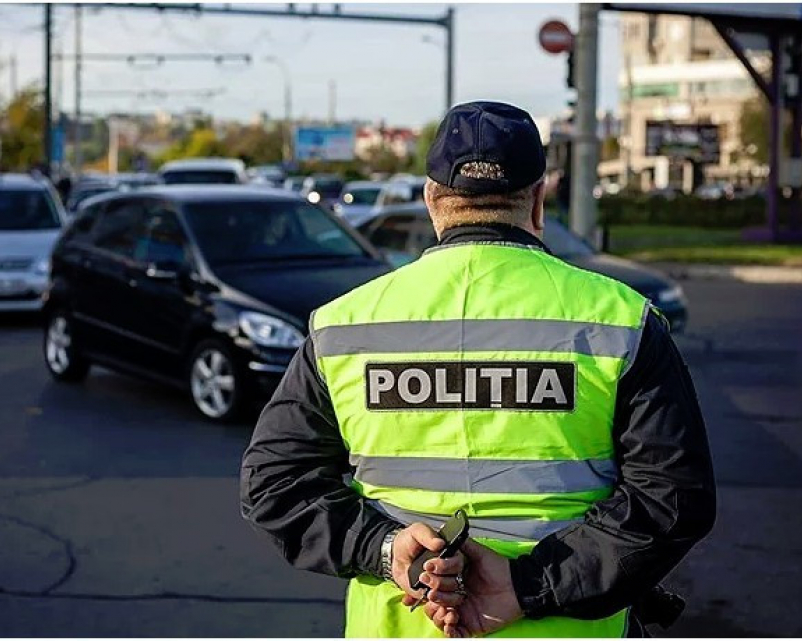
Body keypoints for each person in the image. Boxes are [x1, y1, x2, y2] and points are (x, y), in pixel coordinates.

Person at [240, 100, 716, 638]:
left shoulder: (343, 325)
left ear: (431, 201)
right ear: (539, 200)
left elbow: (274, 483)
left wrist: (386, 548)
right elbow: (672, 499)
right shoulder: (621, 320)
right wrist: (529, 584)